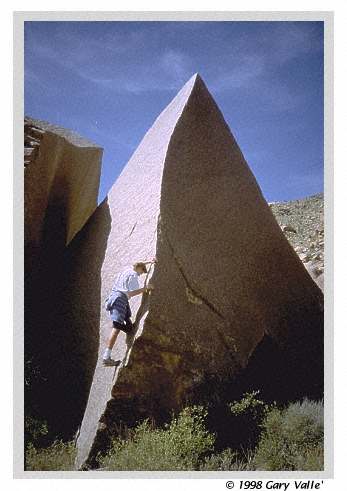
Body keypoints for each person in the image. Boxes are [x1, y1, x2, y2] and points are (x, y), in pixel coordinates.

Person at [102, 259, 155, 367]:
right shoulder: (133, 275)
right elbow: (132, 292)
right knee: (116, 328)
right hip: (120, 299)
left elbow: (139, 263)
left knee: (127, 317)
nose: (141, 274)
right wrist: (146, 288)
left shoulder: (126, 270)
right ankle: (106, 357)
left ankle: (128, 329)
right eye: (142, 271)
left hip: (114, 298)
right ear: (139, 269)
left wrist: (150, 261)